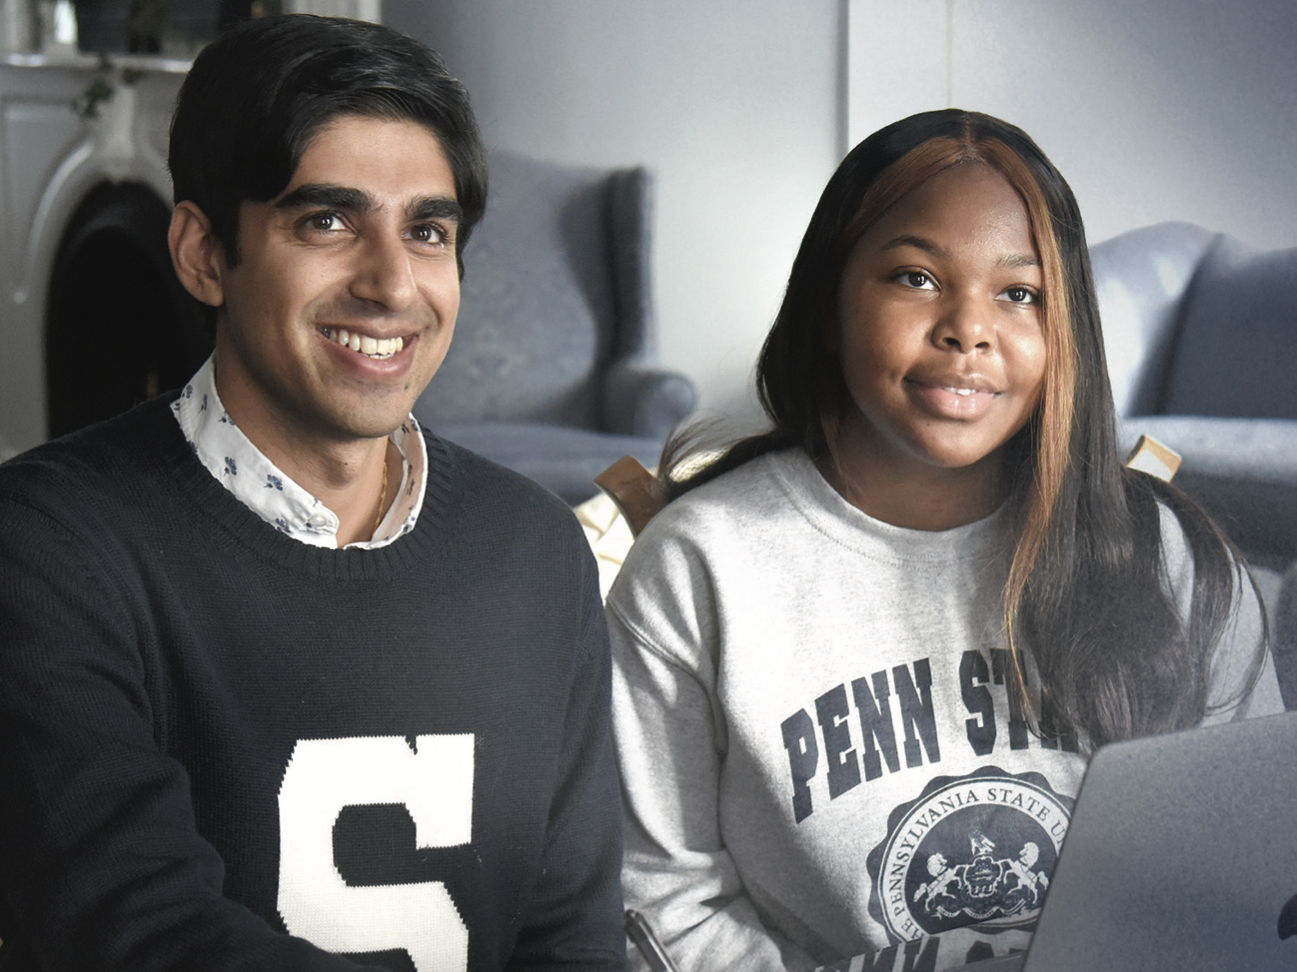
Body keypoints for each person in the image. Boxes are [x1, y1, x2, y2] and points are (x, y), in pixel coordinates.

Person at [0, 14, 625, 972]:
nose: (390, 284)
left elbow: (571, 941)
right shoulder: (53, 544)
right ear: (203, 252)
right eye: (326, 220)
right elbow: (135, 936)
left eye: (426, 230)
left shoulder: (535, 553)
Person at [605, 109, 1284, 972]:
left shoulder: (1164, 553)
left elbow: (1250, 871)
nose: (969, 328)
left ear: (1062, 331)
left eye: (1019, 293)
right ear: (826, 307)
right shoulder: (701, 565)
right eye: (916, 278)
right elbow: (664, 904)